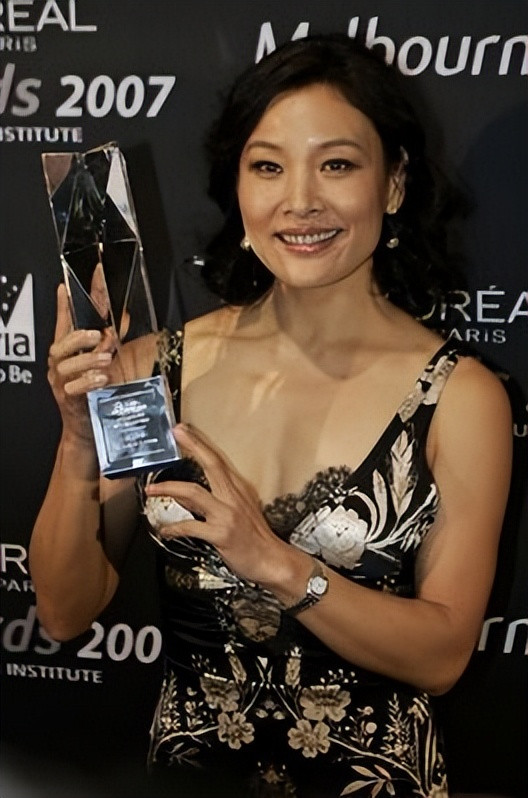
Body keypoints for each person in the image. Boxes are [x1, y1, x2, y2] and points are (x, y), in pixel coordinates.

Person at [30, 35, 512, 798]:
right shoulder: (152, 367)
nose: (300, 200)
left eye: (337, 164)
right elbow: (64, 612)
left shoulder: (459, 396)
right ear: (238, 187)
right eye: (267, 166)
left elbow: (443, 656)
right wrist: (76, 442)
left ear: (393, 184)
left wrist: (277, 564)